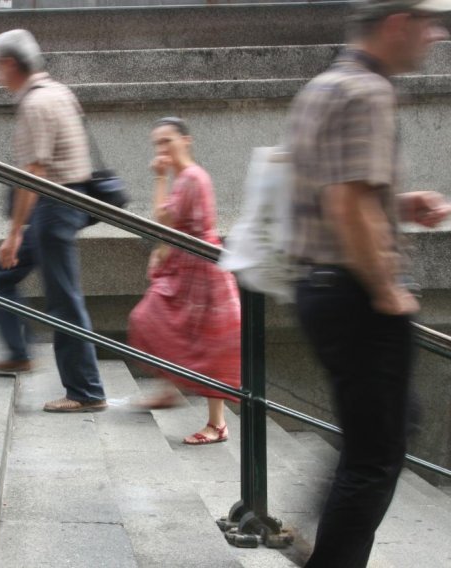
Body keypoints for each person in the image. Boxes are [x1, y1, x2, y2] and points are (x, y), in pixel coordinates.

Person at [287, 1, 451, 565]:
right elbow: (346, 202)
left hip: (321, 286)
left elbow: (334, 191)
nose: (435, 36)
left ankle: (311, 534)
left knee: (389, 424)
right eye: (428, 23)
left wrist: (400, 203)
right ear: (395, 23)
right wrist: (386, 289)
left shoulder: (325, 85)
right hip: (356, 292)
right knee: (376, 453)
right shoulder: (369, 93)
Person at [0, 29, 107, 413]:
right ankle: (19, 351)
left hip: (53, 208)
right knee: (0, 275)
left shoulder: (36, 104)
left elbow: (33, 174)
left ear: (8, 64)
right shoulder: (59, 92)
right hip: (57, 206)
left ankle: (86, 391)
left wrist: (13, 232)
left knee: (65, 301)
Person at [128, 117, 241, 444]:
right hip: (192, 266)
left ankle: (216, 424)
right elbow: (170, 224)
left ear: (185, 141)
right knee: (159, 324)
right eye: (157, 143)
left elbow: (163, 219)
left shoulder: (191, 177)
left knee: (208, 344)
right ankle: (168, 386)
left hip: (203, 271)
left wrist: (159, 178)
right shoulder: (187, 177)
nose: (162, 149)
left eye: (167, 141)